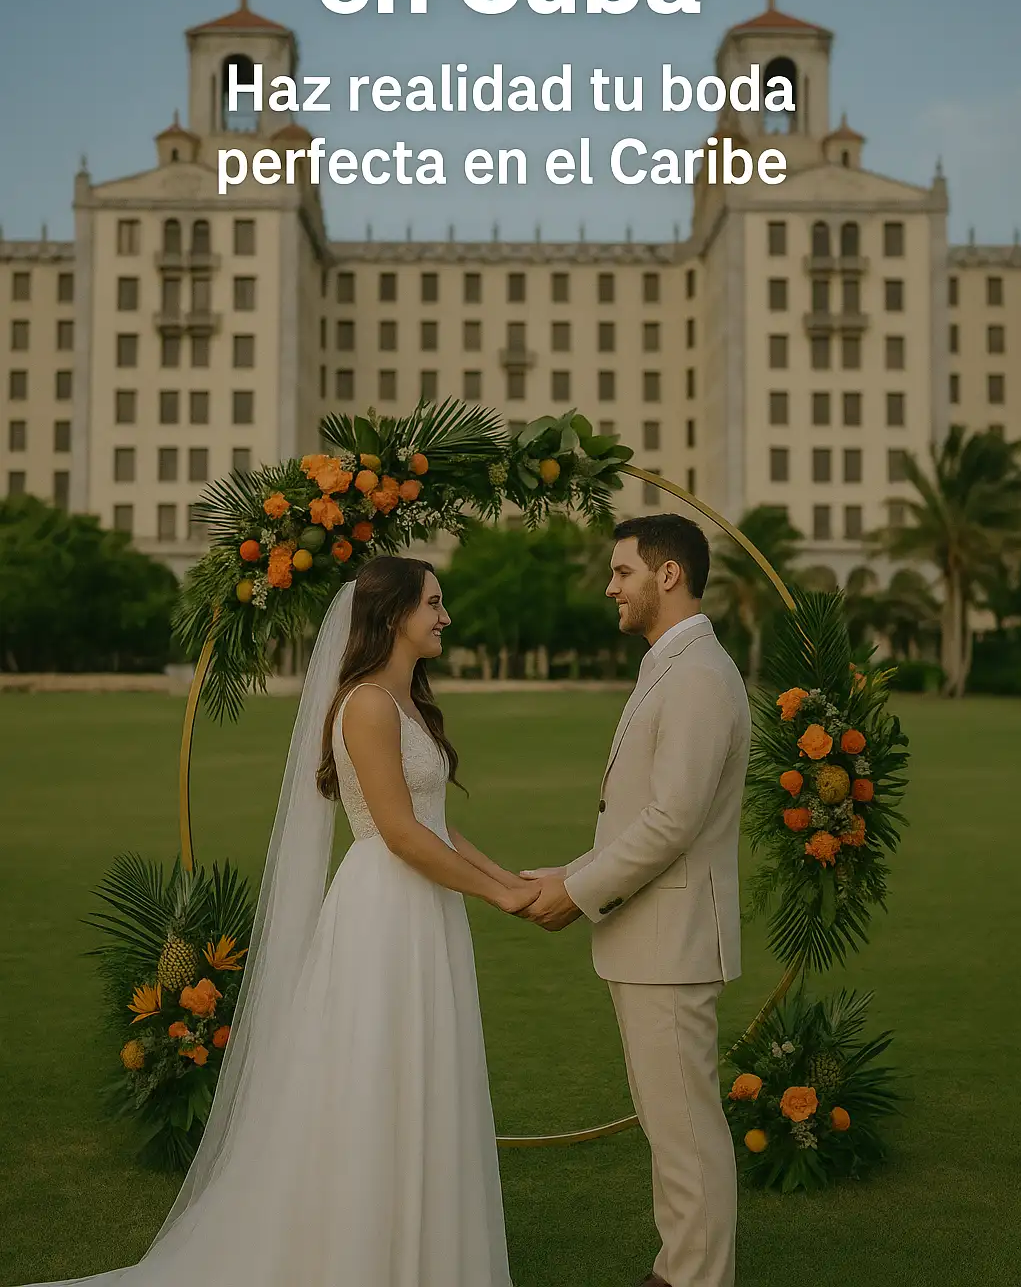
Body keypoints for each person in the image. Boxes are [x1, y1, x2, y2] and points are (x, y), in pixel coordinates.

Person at [18, 556, 537, 1287]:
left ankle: (417, 1246)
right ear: (393, 617)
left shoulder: (407, 701)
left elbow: (436, 825)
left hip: (424, 905)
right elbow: (398, 831)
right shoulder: (364, 705)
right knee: (374, 1073)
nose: (445, 618)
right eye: (434, 604)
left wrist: (509, 883)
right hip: (385, 908)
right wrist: (499, 897)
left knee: (418, 1066)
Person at [521, 514, 751, 1287]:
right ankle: (676, 1267)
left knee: (687, 1136)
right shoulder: (671, 666)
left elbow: (673, 820)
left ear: (668, 575)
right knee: (670, 1128)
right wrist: (565, 873)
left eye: (621, 572)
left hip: (672, 940)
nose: (611, 587)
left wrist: (576, 893)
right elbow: (638, 817)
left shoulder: (696, 674)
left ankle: (696, 1278)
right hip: (653, 937)